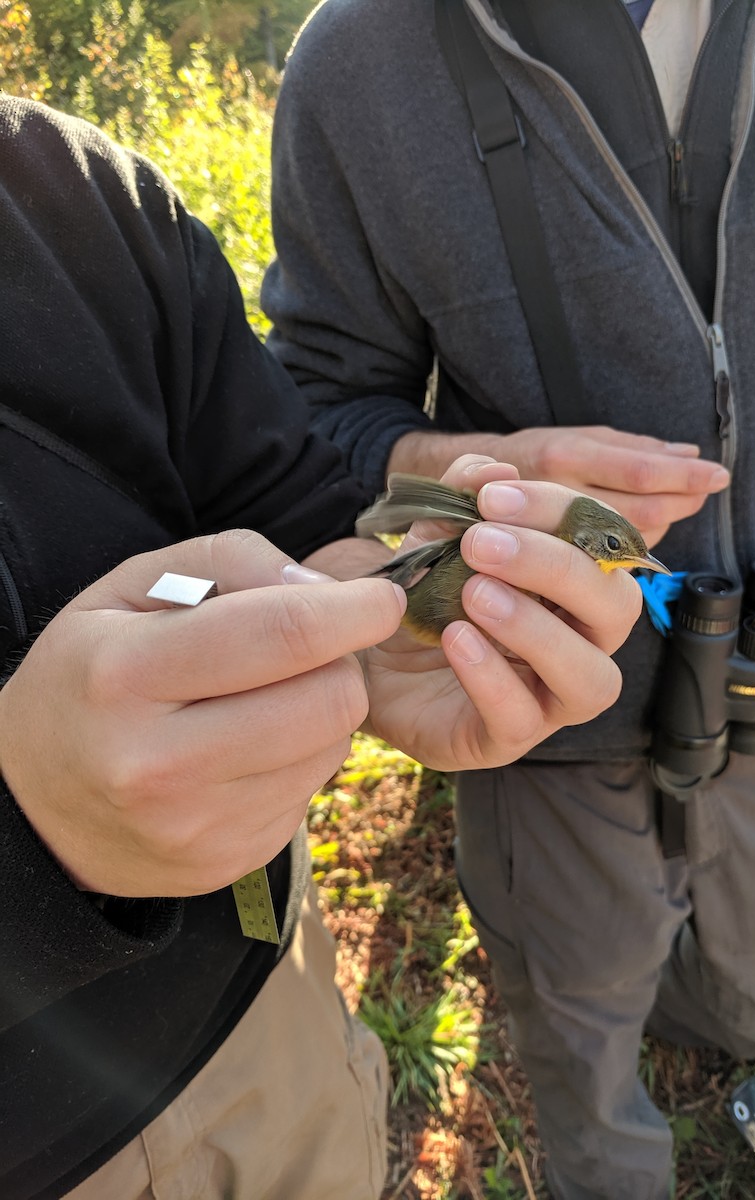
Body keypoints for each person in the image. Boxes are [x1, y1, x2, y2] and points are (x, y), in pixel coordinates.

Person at [261, 0, 755, 1195]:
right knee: (587, 1066)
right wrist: (462, 479)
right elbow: (314, 406)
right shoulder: (359, 61)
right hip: (541, 712)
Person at [0, 93, 642, 1200]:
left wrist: (388, 587)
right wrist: (29, 849)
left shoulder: (69, 185)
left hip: (268, 1009)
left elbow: (281, 493)